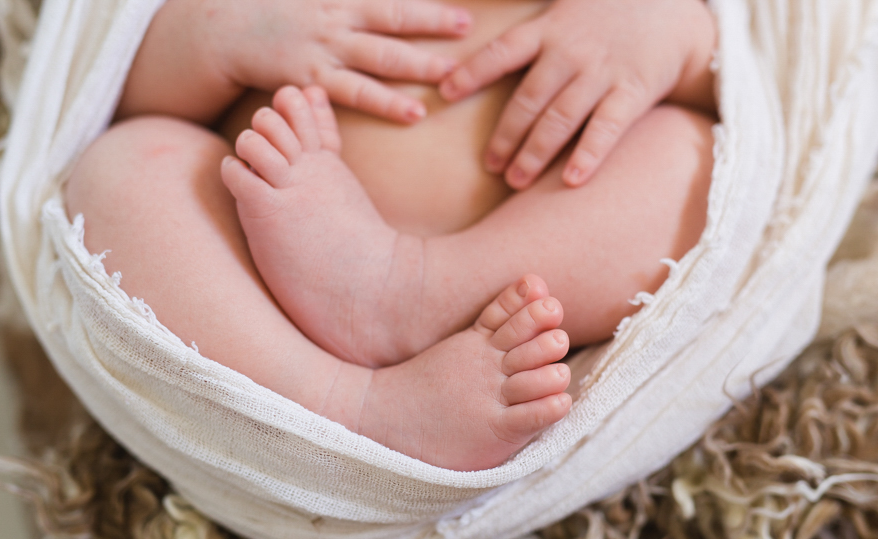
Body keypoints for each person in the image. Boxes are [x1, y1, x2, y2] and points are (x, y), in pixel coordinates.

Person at [65, 0, 717, 471]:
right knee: (120, 171)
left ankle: (413, 292)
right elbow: (113, 82)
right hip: (252, 267)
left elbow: (754, 78)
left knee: (697, 160)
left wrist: (663, 28)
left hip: (507, 286)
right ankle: (349, 408)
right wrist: (222, 34)